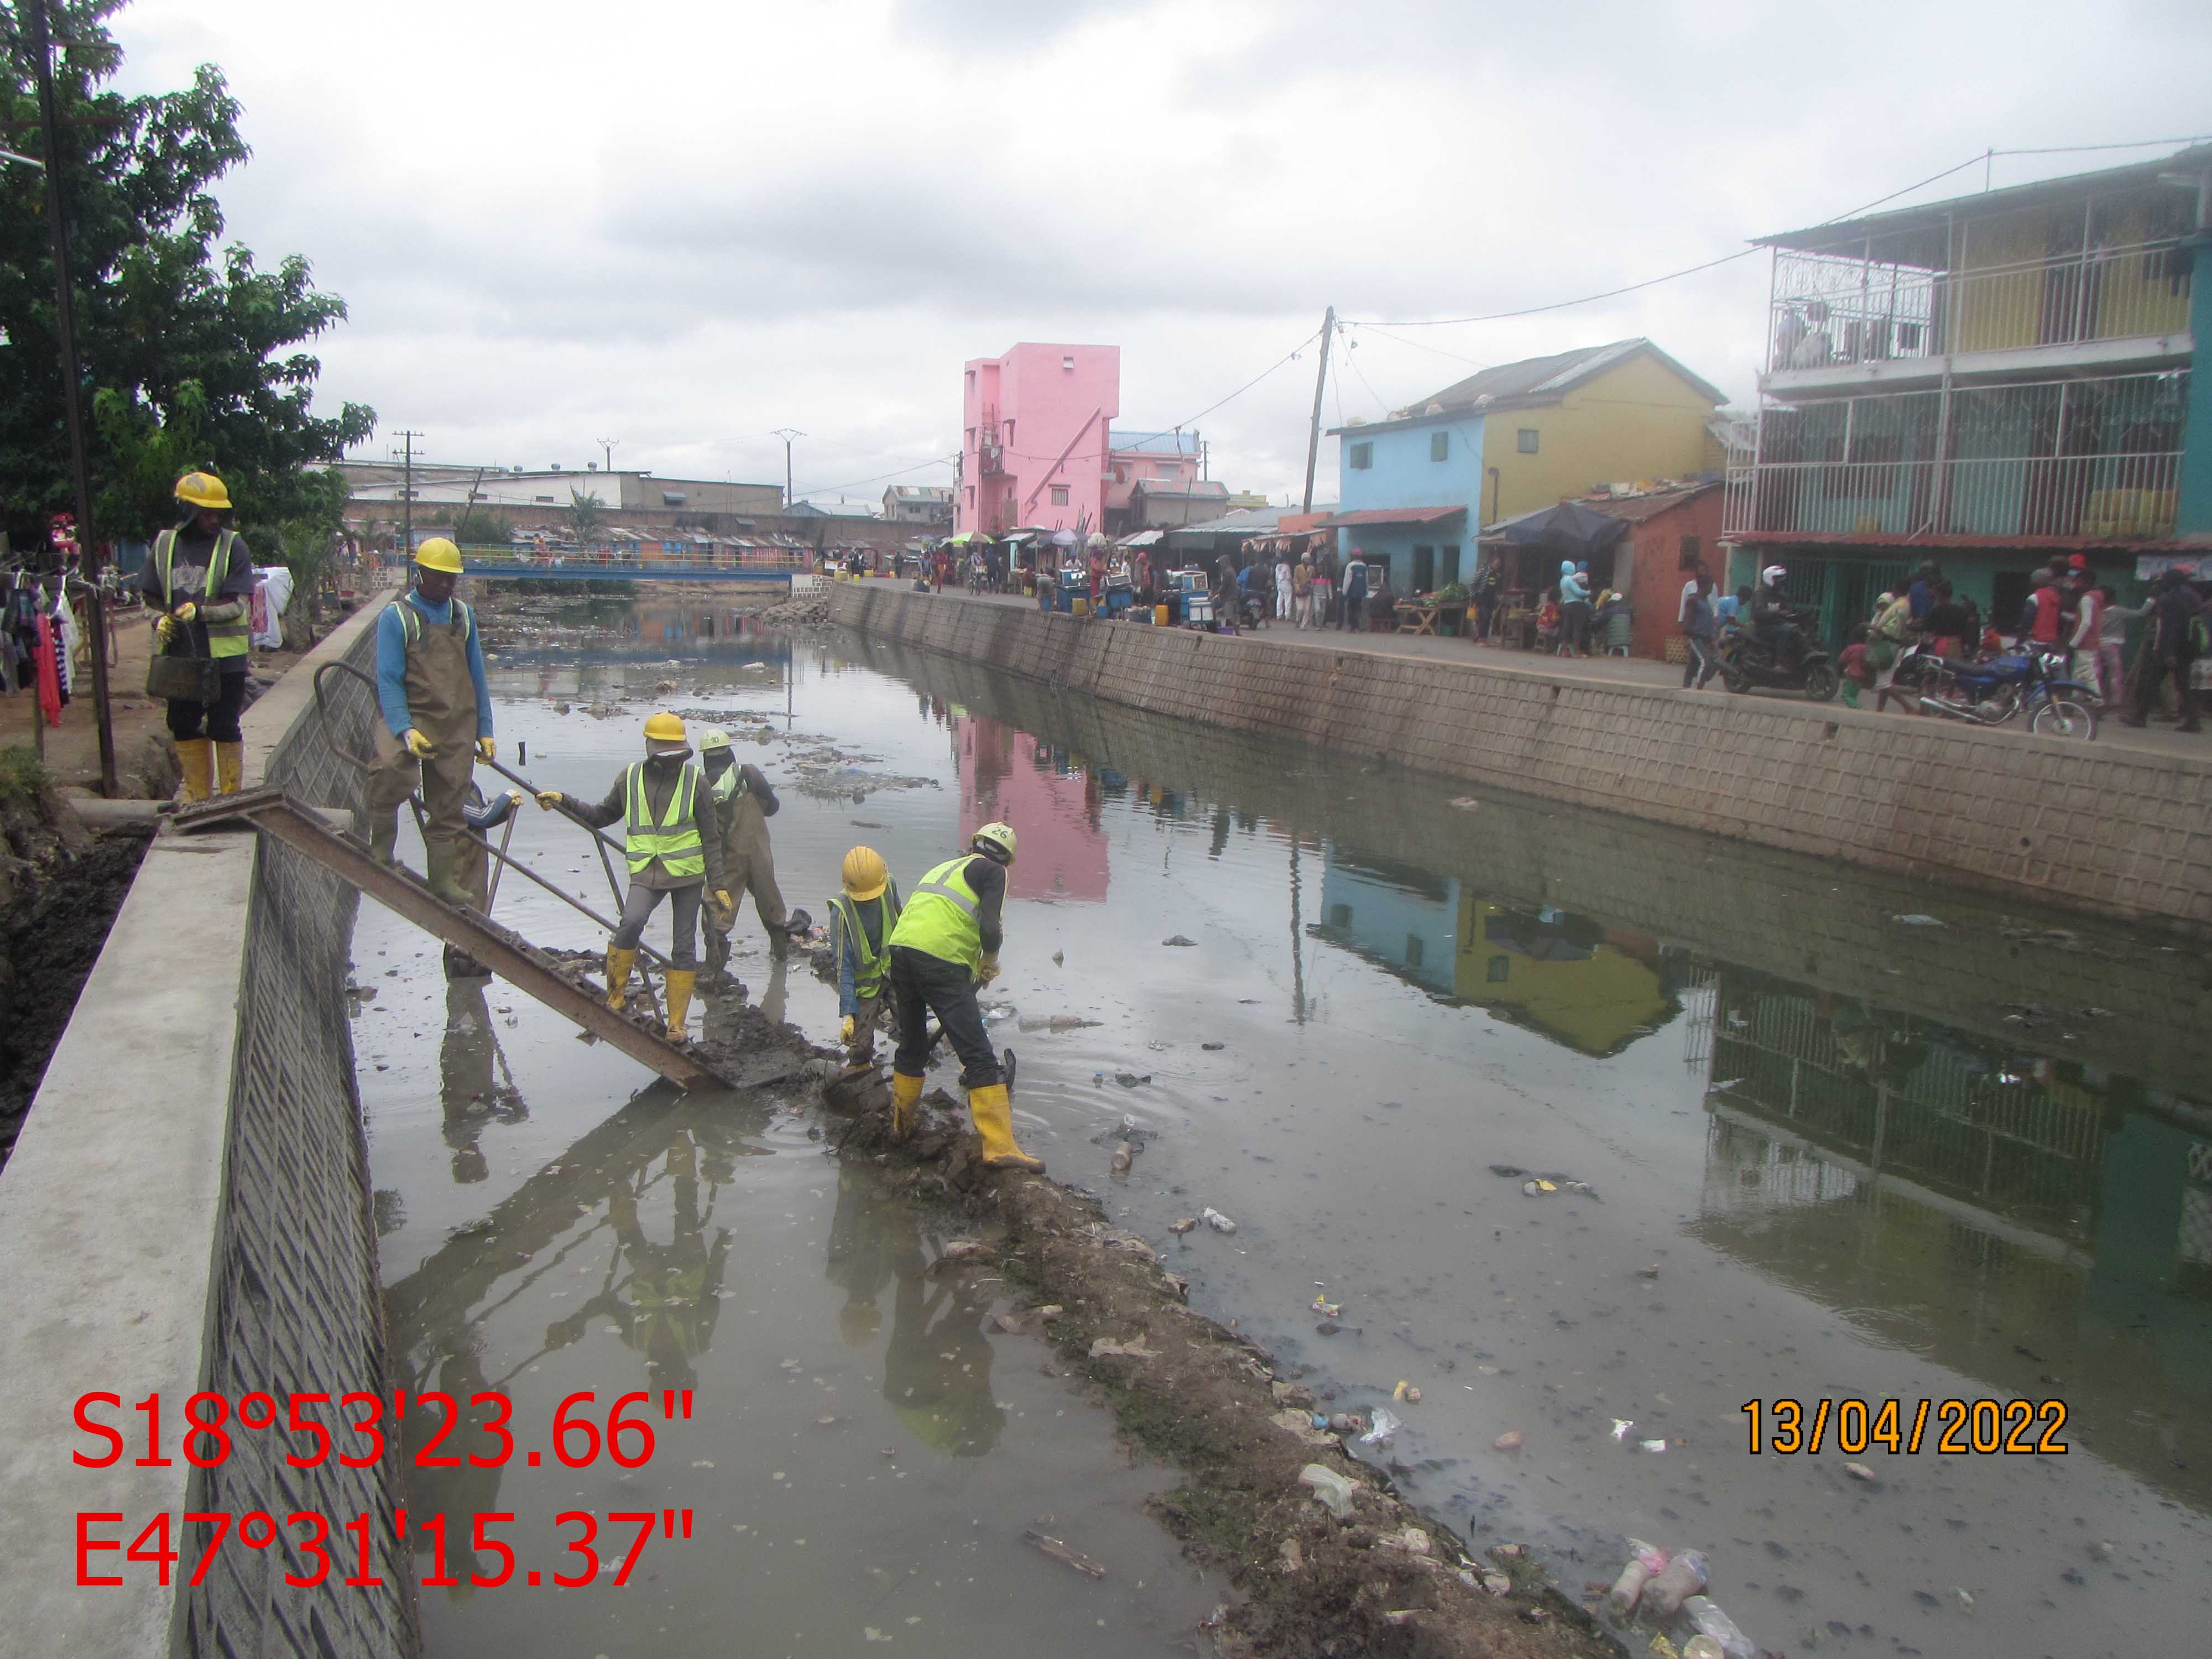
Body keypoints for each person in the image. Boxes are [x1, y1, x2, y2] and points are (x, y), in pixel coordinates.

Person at [535, 712, 731, 1043]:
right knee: (630, 922)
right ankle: (615, 995)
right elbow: (602, 815)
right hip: (646, 873)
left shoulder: (696, 781)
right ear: (649, 748)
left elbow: (711, 838)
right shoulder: (630, 778)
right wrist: (563, 802)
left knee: (684, 946)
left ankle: (677, 1025)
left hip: (687, 875)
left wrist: (719, 884)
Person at [883, 820, 1040, 1171]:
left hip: (902, 951)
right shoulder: (993, 872)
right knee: (978, 1054)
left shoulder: (944, 867)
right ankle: (1000, 1147)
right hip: (941, 960)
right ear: (1009, 860)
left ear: (974, 844)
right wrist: (989, 960)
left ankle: (901, 1128)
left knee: (913, 1047)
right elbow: (989, 927)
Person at [366, 537, 494, 905]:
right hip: (410, 713)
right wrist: (405, 730)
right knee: (390, 770)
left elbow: (477, 676)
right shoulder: (398, 617)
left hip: (455, 721)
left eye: (451, 579)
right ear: (420, 572)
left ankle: (442, 881)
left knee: (449, 803)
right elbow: (389, 678)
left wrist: (485, 730)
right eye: (438, 577)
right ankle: (380, 852)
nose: (445, 585)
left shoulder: (462, 616)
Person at [143, 471, 259, 802]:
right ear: (188, 511)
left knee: (223, 724)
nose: (213, 519)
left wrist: (200, 611)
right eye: (206, 513)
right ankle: (196, 795)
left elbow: (237, 604)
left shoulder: (232, 546)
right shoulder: (165, 546)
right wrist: (158, 621)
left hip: (225, 655)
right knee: (182, 721)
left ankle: (230, 795)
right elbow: (149, 598)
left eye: (218, 513)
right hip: (181, 655)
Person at [696, 726, 797, 980]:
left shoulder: (701, 784)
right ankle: (780, 966)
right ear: (729, 752)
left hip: (727, 858)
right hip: (760, 854)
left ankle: (714, 971)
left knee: (716, 914)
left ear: (706, 757)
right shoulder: (749, 774)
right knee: (773, 907)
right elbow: (773, 807)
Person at [830, 846, 903, 1070]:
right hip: (865, 986)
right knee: (860, 1046)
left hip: (892, 970)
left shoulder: (888, 886)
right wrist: (848, 1015)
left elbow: (902, 924)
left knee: (912, 1023)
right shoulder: (841, 912)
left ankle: (909, 1062)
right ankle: (860, 1072)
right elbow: (844, 967)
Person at [2120, 568, 2202, 733]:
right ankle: (2192, 720)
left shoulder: (2169, 599)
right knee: (2181, 684)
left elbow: (2172, 627)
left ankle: (2140, 717)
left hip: (2172, 649)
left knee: (2154, 681)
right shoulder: (2192, 596)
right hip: (2188, 646)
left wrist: (2169, 652)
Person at [2093, 585, 2145, 706]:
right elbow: (2140, 614)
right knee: (2115, 673)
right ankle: (2116, 700)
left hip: (2096, 644)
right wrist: (2151, 600)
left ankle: (2095, 698)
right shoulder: (2118, 611)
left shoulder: (2096, 611)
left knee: (2096, 673)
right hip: (2112, 646)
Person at [1750, 565, 1798, 664]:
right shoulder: (1761, 594)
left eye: (1782, 579)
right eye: (1778, 579)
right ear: (1770, 578)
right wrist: (1778, 614)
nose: (1781, 582)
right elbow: (1760, 611)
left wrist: (1791, 612)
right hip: (1763, 627)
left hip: (1777, 625)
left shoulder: (1782, 594)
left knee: (1796, 630)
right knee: (1785, 631)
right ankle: (1780, 662)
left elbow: (1789, 608)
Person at [1681, 572, 1721, 689]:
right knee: (1706, 661)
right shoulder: (1693, 600)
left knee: (1693, 664)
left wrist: (1710, 638)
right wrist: (1689, 636)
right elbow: (1688, 620)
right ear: (1704, 586)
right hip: (1696, 637)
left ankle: (1686, 685)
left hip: (1705, 637)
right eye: (1710, 586)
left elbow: (1707, 621)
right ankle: (1700, 687)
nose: (1711, 589)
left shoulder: (1706, 601)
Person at [1558, 559, 1592, 655]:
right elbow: (1578, 592)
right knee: (1577, 629)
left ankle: (1565, 651)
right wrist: (1589, 592)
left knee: (1566, 628)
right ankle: (1577, 652)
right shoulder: (1570, 579)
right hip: (1576, 605)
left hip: (1567, 605)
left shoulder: (1562, 580)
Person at [1837, 625, 1874, 709]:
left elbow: (1842, 660)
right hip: (1863, 676)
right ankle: (1854, 709)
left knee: (1846, 695)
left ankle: (1860, 708)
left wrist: (1840, 671)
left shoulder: (1851, 648)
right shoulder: (1868, 648)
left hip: (1852, 675)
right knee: (1853, 696)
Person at [1341, 550, 1369, 633]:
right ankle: (1358, 626)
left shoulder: (1350, 566)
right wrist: (1366, 591)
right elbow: (1367, 580)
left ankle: (1353, 627)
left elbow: (1347, 580)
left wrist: (1344, 592)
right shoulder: (1364, 566)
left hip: (1352, 592)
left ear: (1353, 556)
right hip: (1361, 593)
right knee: (1358, 609)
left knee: (1351, 609)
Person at [1292, 552, 1313, 629]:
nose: (1308, 560)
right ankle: (1298, 621)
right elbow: (1295, 579)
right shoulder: (1298, 568)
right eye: (1306, 559)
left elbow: (1312, 579)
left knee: (1307, 609)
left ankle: (1303, 625)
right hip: (1300, 590)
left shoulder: (1311, 569)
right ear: (1303, 559)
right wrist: (1297, 588)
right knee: (1300, 609)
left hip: (1308, 591)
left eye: (1309, 559)